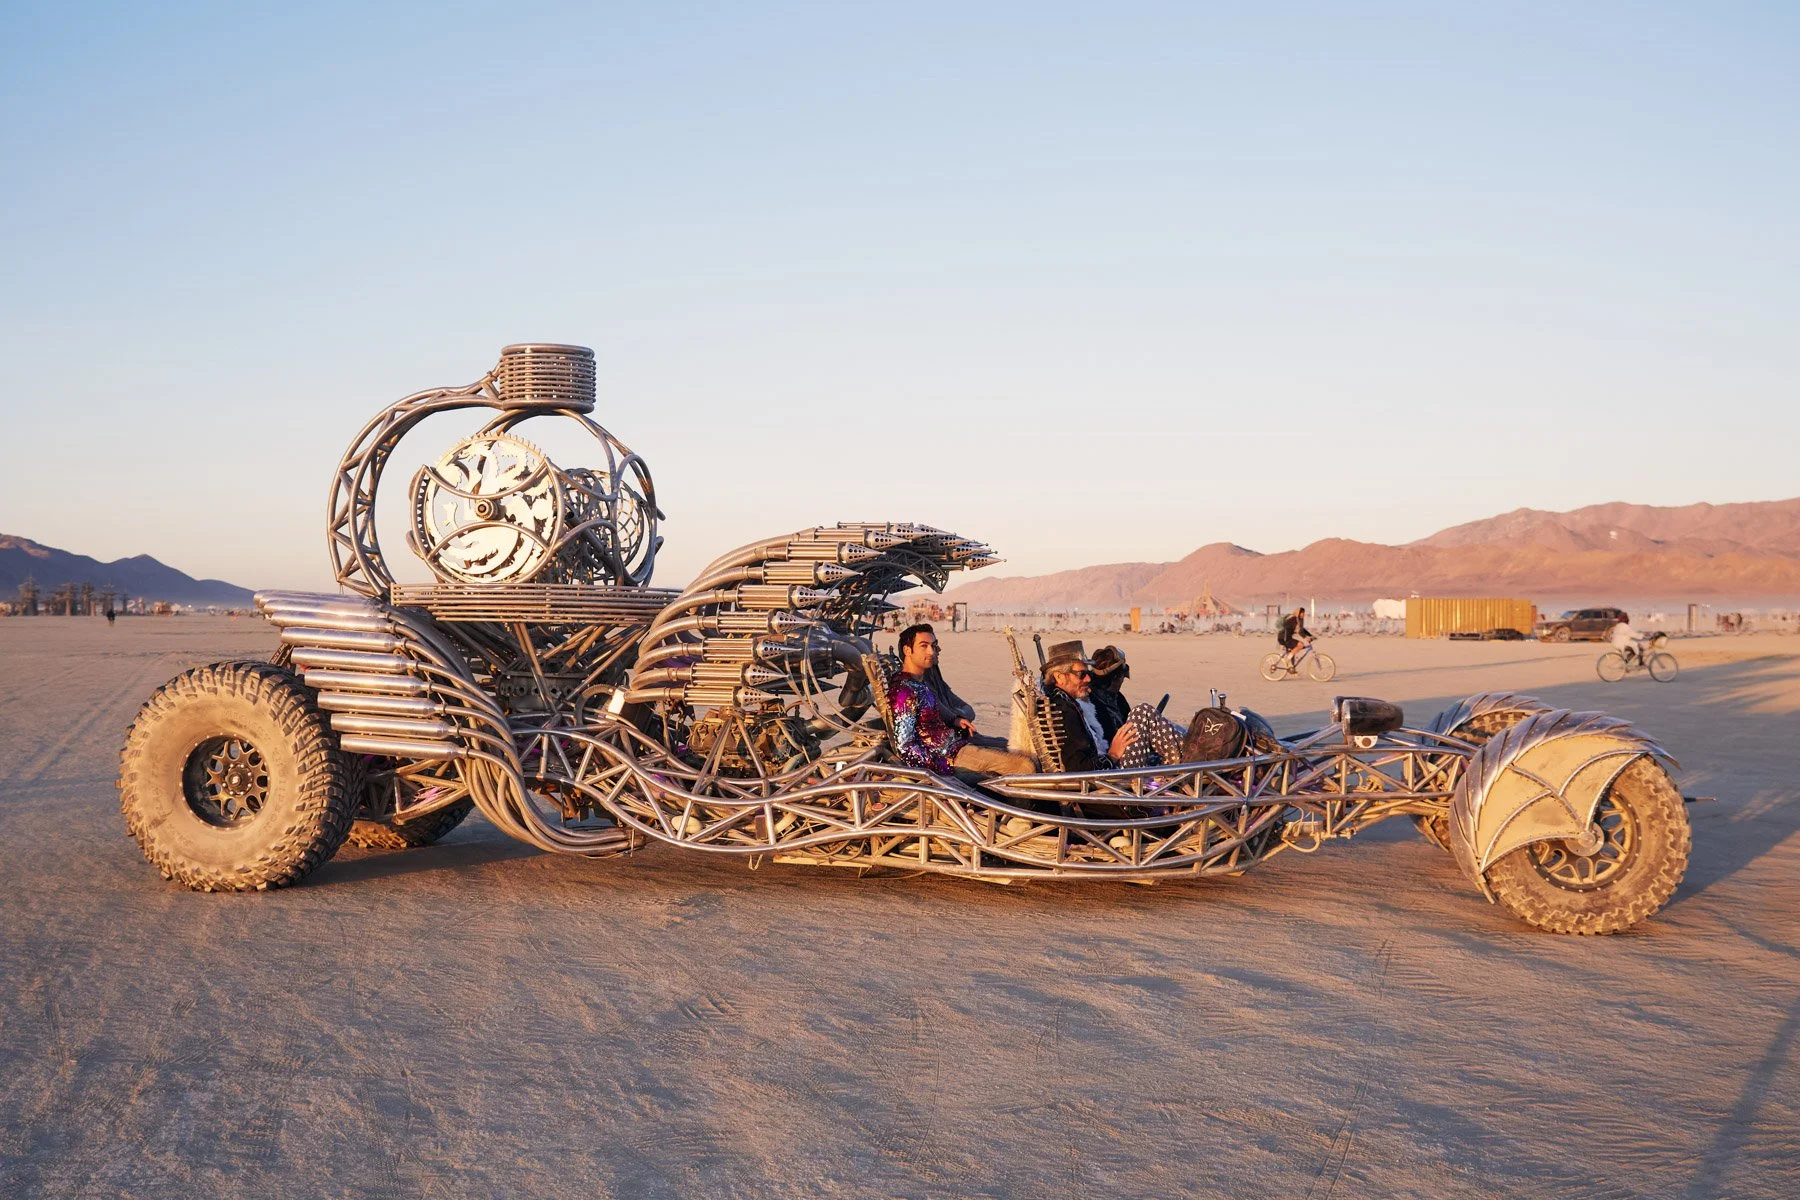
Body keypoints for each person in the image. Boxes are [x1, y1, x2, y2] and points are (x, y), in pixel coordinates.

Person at [890, 624, 1036, 779]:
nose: (931, 652)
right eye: (924, 646)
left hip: (956, 744)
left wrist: (956, 721)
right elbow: (905, 746)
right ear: (907, 650)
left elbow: (931, 719)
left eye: (933, 646)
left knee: (1018, 749)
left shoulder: (920, 683)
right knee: (1025, 766)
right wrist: (941, 767)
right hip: (948, 757)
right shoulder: (904, 691)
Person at [1040, 641, 1185, 772]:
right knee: (1142, 712)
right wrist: (1113, 755)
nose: (1088, 678)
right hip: (1106, 780)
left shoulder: (1067, 703)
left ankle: (1186, 755)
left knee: (1156, 749)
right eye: (1082, 674)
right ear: (1059, 677)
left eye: (1088, 673)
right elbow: (1077, 768)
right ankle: (1189, 755)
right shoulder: (1064, 710)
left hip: (1108, 771)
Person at [1088, 645, 1133, 741]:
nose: (1122, 680)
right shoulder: (1093, 704)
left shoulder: (1117, 698)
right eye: (1122, 676)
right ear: (1116, 678)